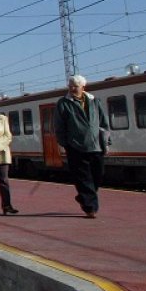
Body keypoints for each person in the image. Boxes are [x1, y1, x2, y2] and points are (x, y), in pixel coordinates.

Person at [54, 74, 110, 219]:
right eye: (70, 86)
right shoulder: (64, 103)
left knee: (98, 175)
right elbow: (59, 126)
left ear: (83, 87)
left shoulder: (94, 101)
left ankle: (83, 197)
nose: (72, 88)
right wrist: (65, 143)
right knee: (83, 179)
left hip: (96, 146)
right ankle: (90, 208)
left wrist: (107, 141)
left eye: (75, 86)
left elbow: (103, 123)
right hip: (76, 147)